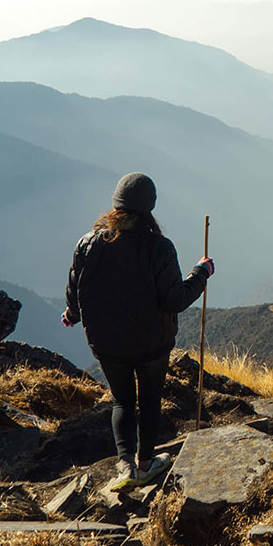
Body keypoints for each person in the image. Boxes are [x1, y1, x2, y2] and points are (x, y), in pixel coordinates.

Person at [62, 172, 213, 492]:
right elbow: (175, 300)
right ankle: (146, 464)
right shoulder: (159, 248)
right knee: (150, 401)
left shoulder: (88, 244)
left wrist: (73, 315)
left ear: (116, 204)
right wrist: (201, 273)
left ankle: (125, 464)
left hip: (106, 344)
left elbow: (76, 289)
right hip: (152, 345)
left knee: (122, 402)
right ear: (150, 207)